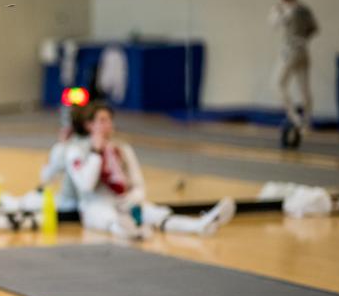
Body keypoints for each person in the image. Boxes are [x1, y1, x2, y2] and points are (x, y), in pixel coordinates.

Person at [66, 102, 235, 239]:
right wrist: (96, 153)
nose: (109, 124)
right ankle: (130, 230)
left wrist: (133, 199)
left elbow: (138, 184)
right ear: (88, 125)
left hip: (125, 202)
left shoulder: (122, 149)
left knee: (157, 214)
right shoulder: (76, 151)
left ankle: (200, 225)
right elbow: (85, 186)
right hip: (96, 205)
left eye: (110, 120)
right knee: (108, 217)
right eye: (102, 120)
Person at [269, 0, 318, 132]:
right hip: (304, 51)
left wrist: (278, 11)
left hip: (290, 50)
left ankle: (295, 118)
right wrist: (302, 39)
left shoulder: (287, 9)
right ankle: (307, 123)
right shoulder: (305, 9)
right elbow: (314, 28)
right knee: (304, 88)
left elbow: (273, 24)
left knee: (277, 84)